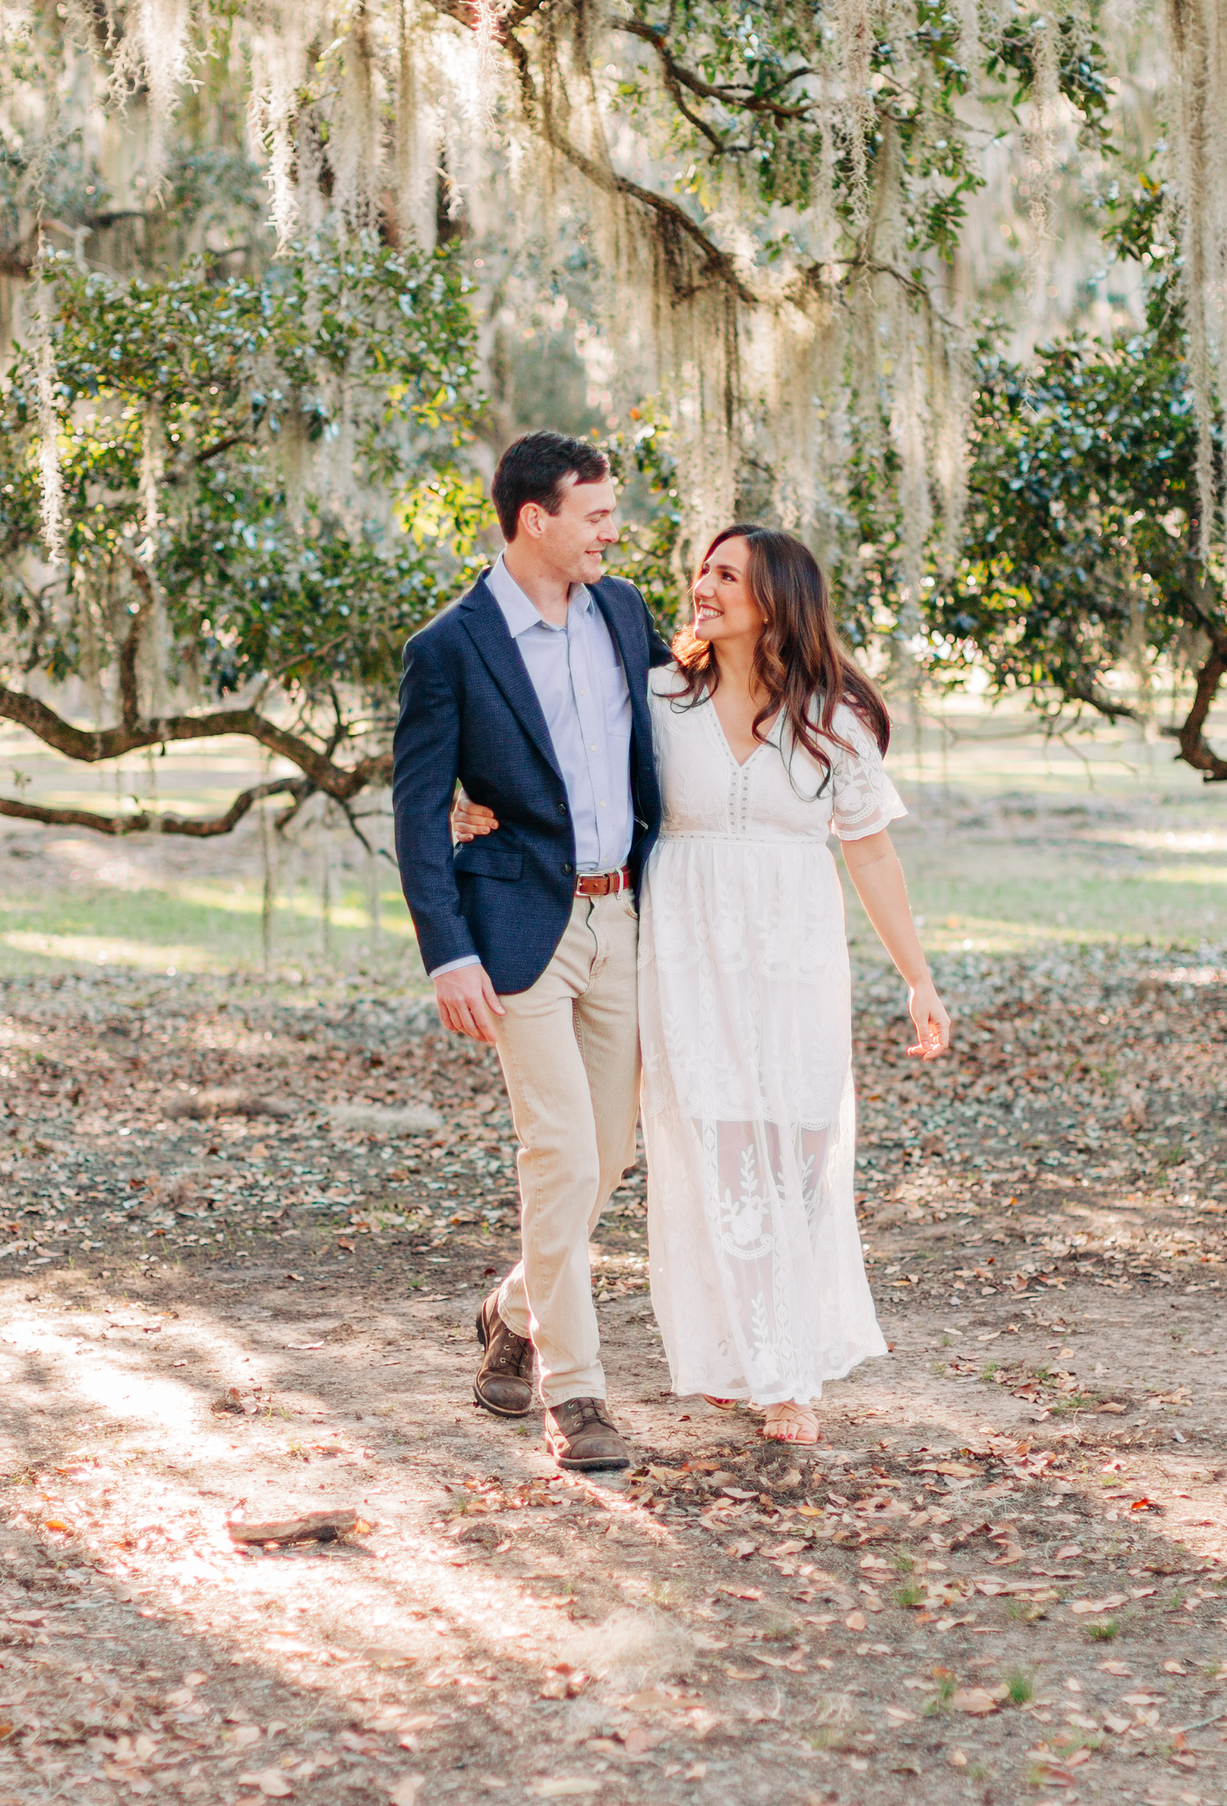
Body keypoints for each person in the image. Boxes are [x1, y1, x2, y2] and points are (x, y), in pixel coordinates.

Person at [454, 525, 954, 1444]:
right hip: (681, 955)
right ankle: (777, 1376)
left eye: (728, 574)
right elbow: (553, 747)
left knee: (799, 1163)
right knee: (719, 1160)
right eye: (704, 570)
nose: (703, 585)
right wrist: (468, 792)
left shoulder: (832, 716)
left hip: (797, 960)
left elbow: (873, 855)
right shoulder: (657, 696)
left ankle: (546, 1307)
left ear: (775, 601)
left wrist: (916, 978)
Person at [390, 433, 673, 1472]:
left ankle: (512, 1307)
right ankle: (577, 1392)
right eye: (594, 513)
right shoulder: (449, 648)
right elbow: (420, 812)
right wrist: (444, 951)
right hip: (515, 932)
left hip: (625, 919)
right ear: (532, 519)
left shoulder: (624, 611)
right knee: (557, 1150)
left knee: (606, 1155)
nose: (611, 529)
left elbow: (679, 727)